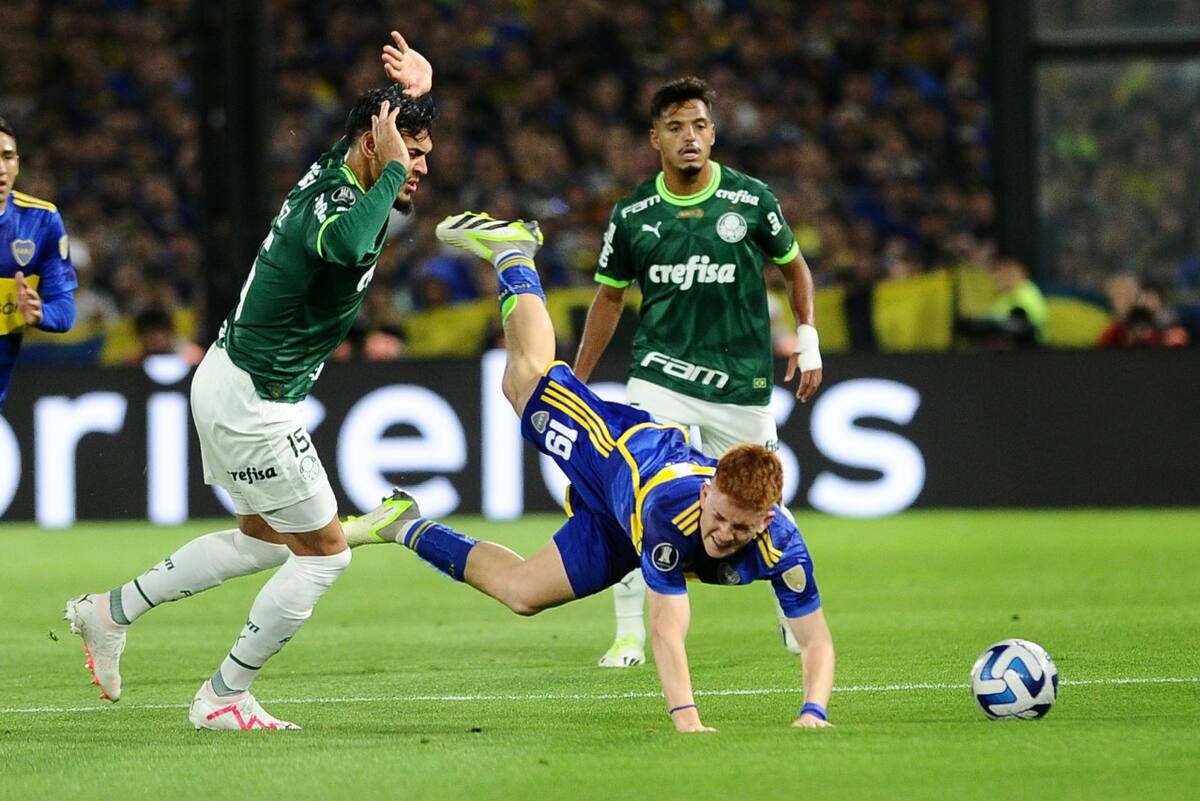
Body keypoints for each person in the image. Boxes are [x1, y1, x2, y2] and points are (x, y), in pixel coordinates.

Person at [64, 32, 434, 731]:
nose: (415, 169)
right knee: (324, 554)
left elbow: (368, 134)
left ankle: (109, 611)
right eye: (409, 155)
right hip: (255, 401)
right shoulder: (337, 200)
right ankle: (223, 694)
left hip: (232, 379)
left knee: (265, 540)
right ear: (372, 151)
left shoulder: (347, 164)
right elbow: (352, 242)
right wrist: (390, 169)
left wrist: (411, 93)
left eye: (421, 158)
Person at [347, 210, 836, 732]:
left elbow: (816, 640)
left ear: (766, 521)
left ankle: (401, 523)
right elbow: (668, 630)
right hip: (614, 452)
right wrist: (687, 720)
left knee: (521, 594)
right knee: (523, 383)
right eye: (720, 517)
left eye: (741, 527)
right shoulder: (674, 515)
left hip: (621, 527)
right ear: (708, 493)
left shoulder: (782, 544)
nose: (723, 534)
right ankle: (514, 252)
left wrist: (814, 713)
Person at [571, 77, 824, 667]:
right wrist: (577, 381)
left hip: (740, 384)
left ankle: (792, 614)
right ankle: (630, 633)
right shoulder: (633, 214)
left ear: (714, 132)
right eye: (677, 127)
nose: (690, 137)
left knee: (765, 501)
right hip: (660, 378)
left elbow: (796, 270)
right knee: (634, 504)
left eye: (701, 126)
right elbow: (609, 300)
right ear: (654, 136)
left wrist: (807, 340)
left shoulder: (751, 200)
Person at [0, 113, 77, 411]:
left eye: (7, 156)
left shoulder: (41, 222)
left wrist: (39, 313)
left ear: (17, 163)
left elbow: (64, 310)